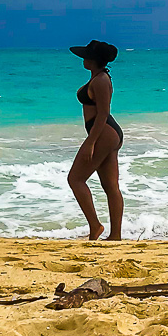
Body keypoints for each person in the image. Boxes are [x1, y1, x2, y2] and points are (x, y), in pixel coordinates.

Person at [67, 39, 124, 240]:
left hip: (103, 132)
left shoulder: (100, 80)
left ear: (93, 60)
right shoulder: (100, 77)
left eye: (86, 56)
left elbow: (102, 113)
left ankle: (95, 226)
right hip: (108, 133)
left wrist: (91, 142)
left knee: (75, 179)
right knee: (110, 186)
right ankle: (115, 235)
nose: (83, 58)